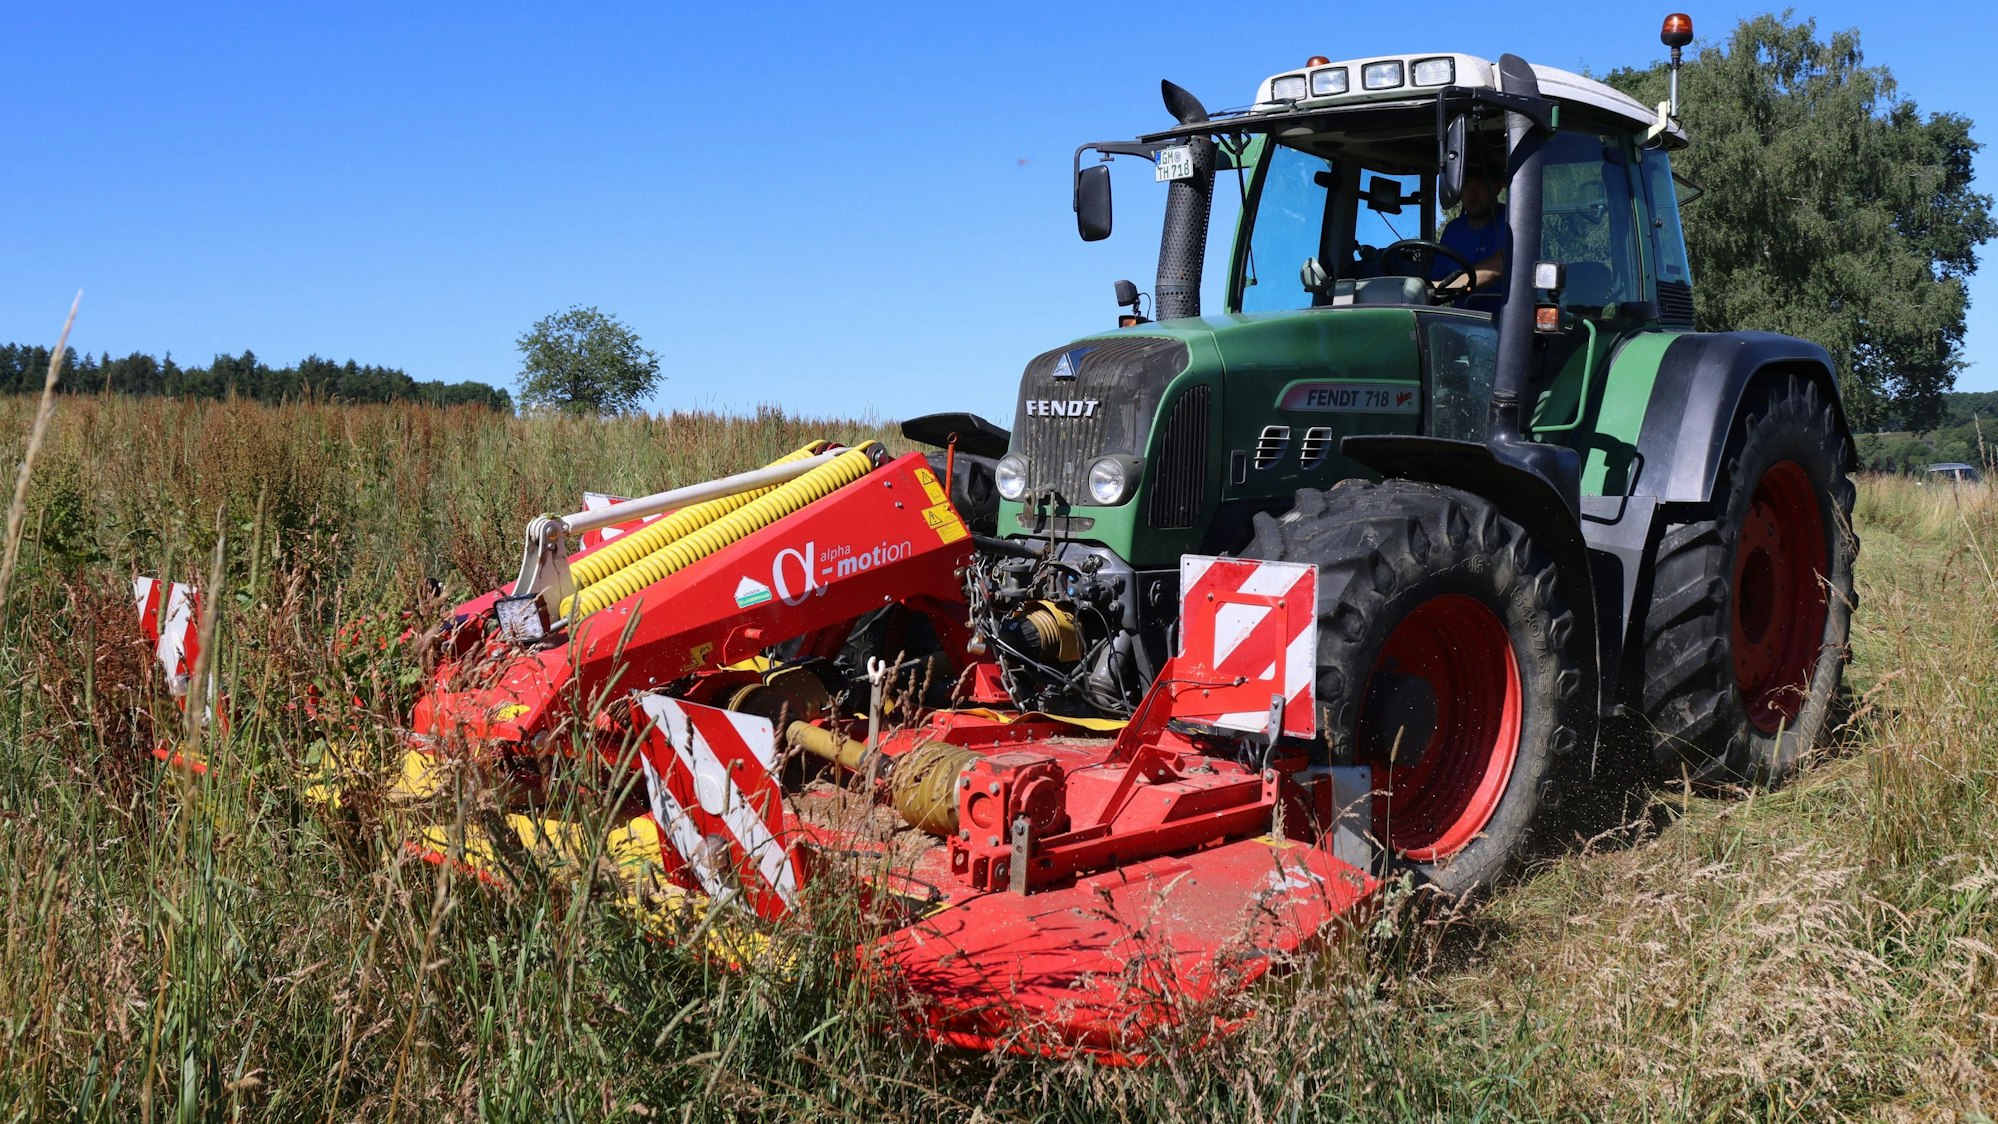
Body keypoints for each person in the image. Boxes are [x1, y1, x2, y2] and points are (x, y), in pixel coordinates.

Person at [1431, 166, 1509, 305]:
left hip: (1503, 321)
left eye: (1480, 184)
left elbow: (1498, 266)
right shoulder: (1453, 230)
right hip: (1460, 320)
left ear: (1496, 188)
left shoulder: (1511, 221)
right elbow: (1436, 276)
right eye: (1465, 185)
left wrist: (1436, 288)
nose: (1472, 193)